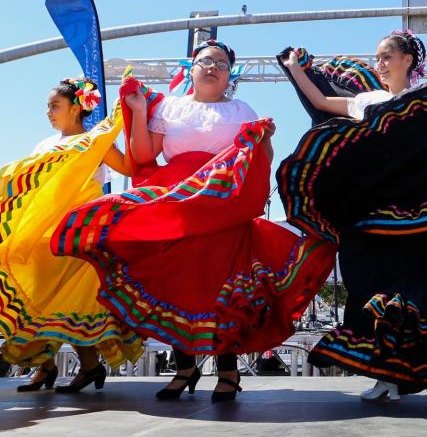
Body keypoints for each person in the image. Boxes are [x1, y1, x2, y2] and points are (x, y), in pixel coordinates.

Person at [53, 41, 336, 402]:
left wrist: (265, 141)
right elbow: (142, 155)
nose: (213, 67)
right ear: (192, 68)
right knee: (177, 286)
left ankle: (228, 372)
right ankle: (184, 368)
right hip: (174, 206)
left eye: (221, 63)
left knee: (220, 289)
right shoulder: (171, 108)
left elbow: (260, 159)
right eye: (206, 60)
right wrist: (139, 111)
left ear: (230, 75)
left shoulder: (242, 110)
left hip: (221, 210)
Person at [277, 31, 427, 401]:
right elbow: (317, 100)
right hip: (365, 213)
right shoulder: (366, 99)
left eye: (385, 57)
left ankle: (395, 376)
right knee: (363, 285)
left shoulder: (423, 101)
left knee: (401, 288)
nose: (378, 64)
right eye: (377, 58)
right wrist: (295, 68)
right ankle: (390, 374)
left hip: (411, 213)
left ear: (407, 60)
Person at [0, 77, 142, 392]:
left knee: (71, 302)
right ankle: (46, 366)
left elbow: (130, 169)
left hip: (79, 235)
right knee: (34, 299)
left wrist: (129, 123)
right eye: (48, 107)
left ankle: (88, 367)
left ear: (76, 107)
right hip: (41, 238)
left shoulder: (96, 140)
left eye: (55, 106)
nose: (49, 113)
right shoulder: (44, 146)